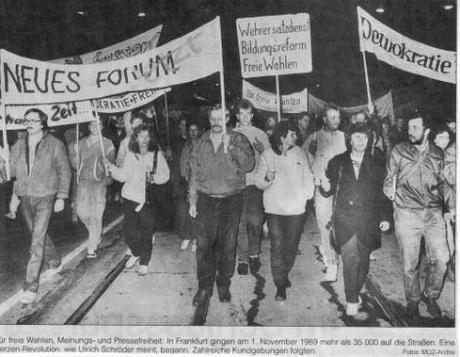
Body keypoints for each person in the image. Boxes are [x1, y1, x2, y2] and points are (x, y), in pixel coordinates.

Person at [384, 113, 452, 319]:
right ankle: (413, 300)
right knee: (409, 264)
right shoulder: (399, 151)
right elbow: (389, 177)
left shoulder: (438, 154)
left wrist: (451, 207)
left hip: (433, 213)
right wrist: (389, 188)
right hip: (407, 213)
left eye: (415, 127)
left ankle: (430, 294)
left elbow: (444, 185)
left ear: (427, 131)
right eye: (409, 127)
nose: (409, 131)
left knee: (441, 258)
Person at [323, 123, 391, 318]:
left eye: (365, 137)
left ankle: (356, 288)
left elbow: (383, 194)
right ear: (350, 139)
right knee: (350, 259)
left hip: (368, 221)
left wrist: (386, 217)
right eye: (357, 137)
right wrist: (322, 186)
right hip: (345, 219)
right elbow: (329, 189)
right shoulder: (337, 162)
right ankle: (351, 299)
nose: (361, 141)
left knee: (363, 262)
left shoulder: (376, 163)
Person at [188, 104, 254, 306]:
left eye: (220, 118)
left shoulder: (238, 139)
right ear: (208, 120)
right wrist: (192, 200)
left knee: (227, 244)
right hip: (206, 198)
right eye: (212, 119)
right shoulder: (200, 143)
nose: (216, 122)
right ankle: (204, 286)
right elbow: (194, 175)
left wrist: (231, 146)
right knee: (204, 246)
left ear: (227, 118)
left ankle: (223, 283)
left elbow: (249, 165)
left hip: (231, 198)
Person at [10, 108, 71, 304]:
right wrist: (15, 196)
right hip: (26, 196)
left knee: (36, 240)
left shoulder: (55, 144)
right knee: (37, 234)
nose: (29, 123)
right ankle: (54, 262)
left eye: (33, 120)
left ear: (43, 123)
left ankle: (30, 286)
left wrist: (61, 196)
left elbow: (64, 170)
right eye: (26, 120)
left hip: (46, 196)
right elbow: (14, 172)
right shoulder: (19, 144)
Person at [254, 120, 314, 301]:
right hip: (275, 210)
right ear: (282, 137)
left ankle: (283, 272)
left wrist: (306, 196)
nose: (296, 136)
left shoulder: (299, 153)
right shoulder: (267, 155)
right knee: (277, 246)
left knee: (291, 246)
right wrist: (267, 177)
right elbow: (258, 181)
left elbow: (308, 176)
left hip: (296, 210)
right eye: (292, 134)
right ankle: (280, 283)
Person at [106, 124, 170, 275]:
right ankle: (136, 252)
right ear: (135, 138)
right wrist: (111, 168)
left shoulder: (157, 155)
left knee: (146, 232)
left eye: (147, 136)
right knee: (129, 232)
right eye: (141, 136)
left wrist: (154, 177)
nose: (144, 139)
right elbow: (124, 176)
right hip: (130, 198)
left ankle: (144, 262)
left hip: (148, 199)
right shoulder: (130, 155)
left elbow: (166, 175)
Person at [302, 105, 346, 281]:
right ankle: (331, 262)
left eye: (338, 117)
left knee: (341, 225)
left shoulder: (345, 137)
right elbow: (303, 160)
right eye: (333, 118)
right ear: (324, 119)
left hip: (343, 189)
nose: (337, 121)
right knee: (325, 225)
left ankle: (334, 250)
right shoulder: (313, 138)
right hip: (322, 189)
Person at [233, 99, 270, 275]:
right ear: (237, 116)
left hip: (255, 185)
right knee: (239, 223)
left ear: (252, 115)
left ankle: (254, 254)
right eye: (242, 114)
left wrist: (263, 151)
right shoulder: (230, 134)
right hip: (237, 185)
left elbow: (271, 159)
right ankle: (242, 258)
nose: (245, 117)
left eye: (248, 114)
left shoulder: (260, 134)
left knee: (255, 221)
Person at [72, 120, 115, 258]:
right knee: (81, 212)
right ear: (89, 127)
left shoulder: (107, 143)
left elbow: (112, 162)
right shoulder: (81, 142)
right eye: (93, 125)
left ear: (102, 126)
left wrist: (110, 175)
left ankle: (92, 246)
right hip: (83, 182)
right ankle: (96, 233)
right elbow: (74, 163)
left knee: (96, 214)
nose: (96, 127)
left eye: (99, 125)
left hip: (99, 182)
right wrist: (75, 157)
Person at [178, 122, 202, 251]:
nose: (193, 132)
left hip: (198, 181)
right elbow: (182, 161)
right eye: (190, 130)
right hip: (186, 181)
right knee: (186, 211)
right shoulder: (185, 144)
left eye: (195, 130)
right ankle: (188, 236)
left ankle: (196, 239)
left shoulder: (202, 144)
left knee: (197, 210)